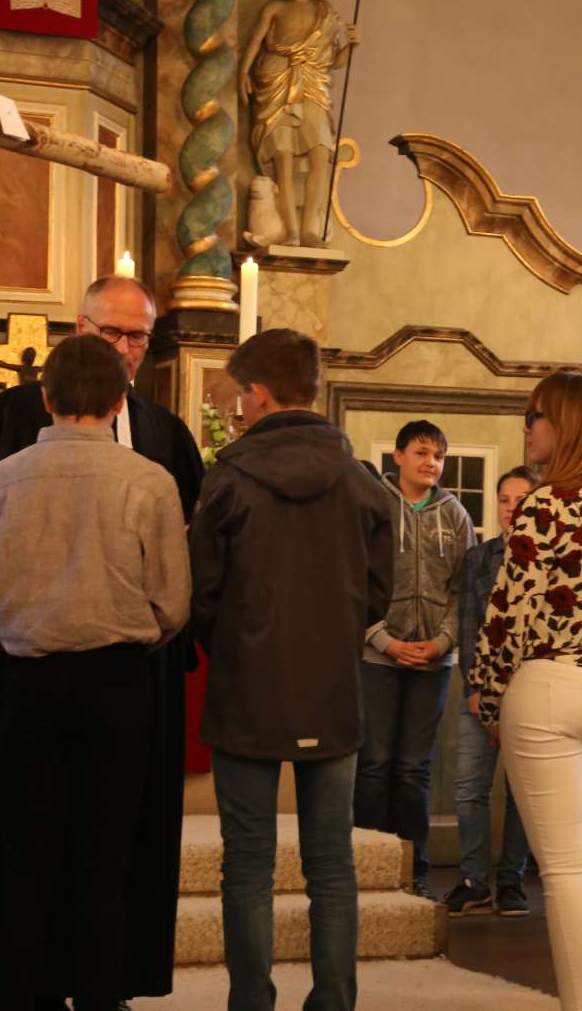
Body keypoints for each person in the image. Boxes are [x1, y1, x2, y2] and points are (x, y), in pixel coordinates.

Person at [0, 277, 205, 1005]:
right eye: (112, 336)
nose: (125, 351)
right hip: (113, 675)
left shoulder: (162, 436)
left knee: (45, 853)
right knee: (95, 854)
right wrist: (141, 628)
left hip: (47, 670)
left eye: (138, 338)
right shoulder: (15, 421)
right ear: (80, 331)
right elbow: (176, 597)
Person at [188, 328, 393, 1011]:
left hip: (248, 689)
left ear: (259, 394)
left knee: (247, 863)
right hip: (334, 691)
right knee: (330, 865)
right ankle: (334, 1001)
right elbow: (380, 592)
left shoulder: (229, 478)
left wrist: (239, 646)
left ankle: (251, 1002)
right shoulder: (362, 481)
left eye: (240, 396)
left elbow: (203, 592)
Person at [470, 369, 582, 1011]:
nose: (527, 427)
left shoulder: (546, 504)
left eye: (535, 415)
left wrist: (488, 699)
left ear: (565, 425)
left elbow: (505, 615)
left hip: (549, 684)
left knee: (567, 871)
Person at [356, 419, 475, 898]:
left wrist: (442, 642)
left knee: (413, 768)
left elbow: (463, 589)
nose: (431, 463)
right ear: (398, 456)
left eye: (438, 456)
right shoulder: (374, 505)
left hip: (433, 662)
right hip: (378, 657)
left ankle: (412, 870)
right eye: (422, 453)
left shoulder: (456, 515)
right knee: (375, 763)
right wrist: (383, 639)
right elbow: (354, 578)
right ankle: (365, 866)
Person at [446, 465, 538, 919]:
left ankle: (512, 881)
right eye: (504, 499)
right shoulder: (479, 559)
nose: (511, 508)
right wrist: (476, 690)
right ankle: (473, 880)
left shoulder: (548, 560)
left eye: (521, 499)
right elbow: (469, 629)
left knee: (522, 792)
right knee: (469, 789)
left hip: (530, 694)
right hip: (480, 691)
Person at [237, 0, 360, 246]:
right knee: (283, 159)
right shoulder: (275, 8)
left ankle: (308, 230)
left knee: (319, 154)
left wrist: (352, 45)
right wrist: (242, 73)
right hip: (277, 79)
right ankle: (290, 230)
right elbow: (255, 41)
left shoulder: (324, 11)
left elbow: (333, 61)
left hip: (313, 85)